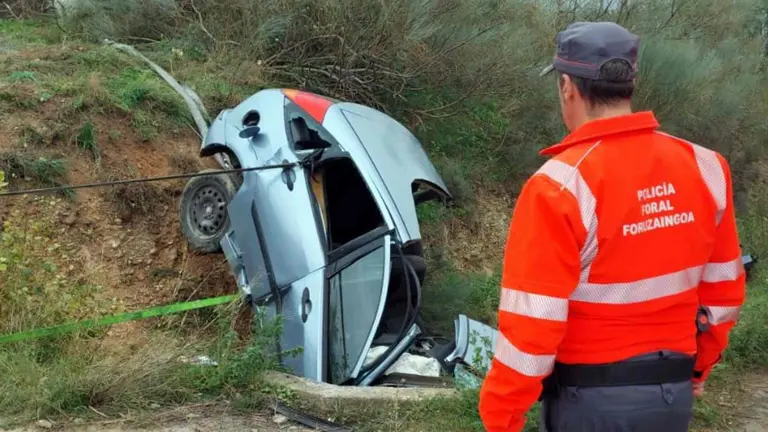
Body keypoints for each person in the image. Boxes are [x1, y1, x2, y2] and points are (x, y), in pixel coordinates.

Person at [477, 21, 746, 432]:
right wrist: (697, 369)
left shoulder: (559, 185)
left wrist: (501, 418)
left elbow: (532, 324)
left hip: (590, 404)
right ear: (630, 84)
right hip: (670, 397)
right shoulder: (706, 165)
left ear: (567, 86)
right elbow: (724, 293)